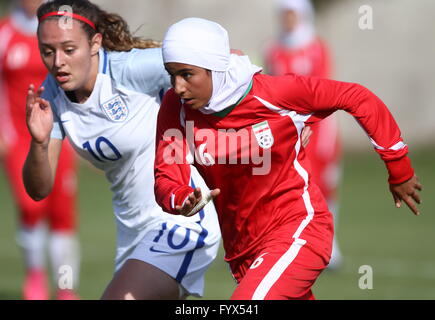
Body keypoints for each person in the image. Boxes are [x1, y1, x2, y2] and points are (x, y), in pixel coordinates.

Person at [154, 17, 422, 300]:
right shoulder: (176, 107)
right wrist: (181, 198)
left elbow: (357, 97)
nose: (178, 86)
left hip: (299, 228)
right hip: (243, 249)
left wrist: (399, 168)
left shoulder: (273, 94)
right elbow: (166, 176)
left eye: (187, 74)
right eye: (172, 75)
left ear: (215, 68)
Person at [22, 0, 220, 300]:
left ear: (95, 43)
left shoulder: (130, 70)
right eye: (48, 51)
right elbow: (39, 190)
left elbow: (224, 64)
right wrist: (38, 142)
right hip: (133, 234)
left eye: (69, 49)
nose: (58, 62)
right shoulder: (52, 93)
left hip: (182, 217)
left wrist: (286, 117)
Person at [0, 0, 80, 300]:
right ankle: (35, 277)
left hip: (60, 137)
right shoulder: (5, 33)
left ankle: (65, 287)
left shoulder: (61, 31)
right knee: (32, 209)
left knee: (63, 217)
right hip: (20, 140)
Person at [264, 0, 343, 269]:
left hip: (317, 125)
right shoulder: (274, 49)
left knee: (324, 185)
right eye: (284, 14)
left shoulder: (316, 47)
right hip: (286, 127)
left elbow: (324, 88)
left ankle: (331, 247)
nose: (288, 20)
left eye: (292, 14)